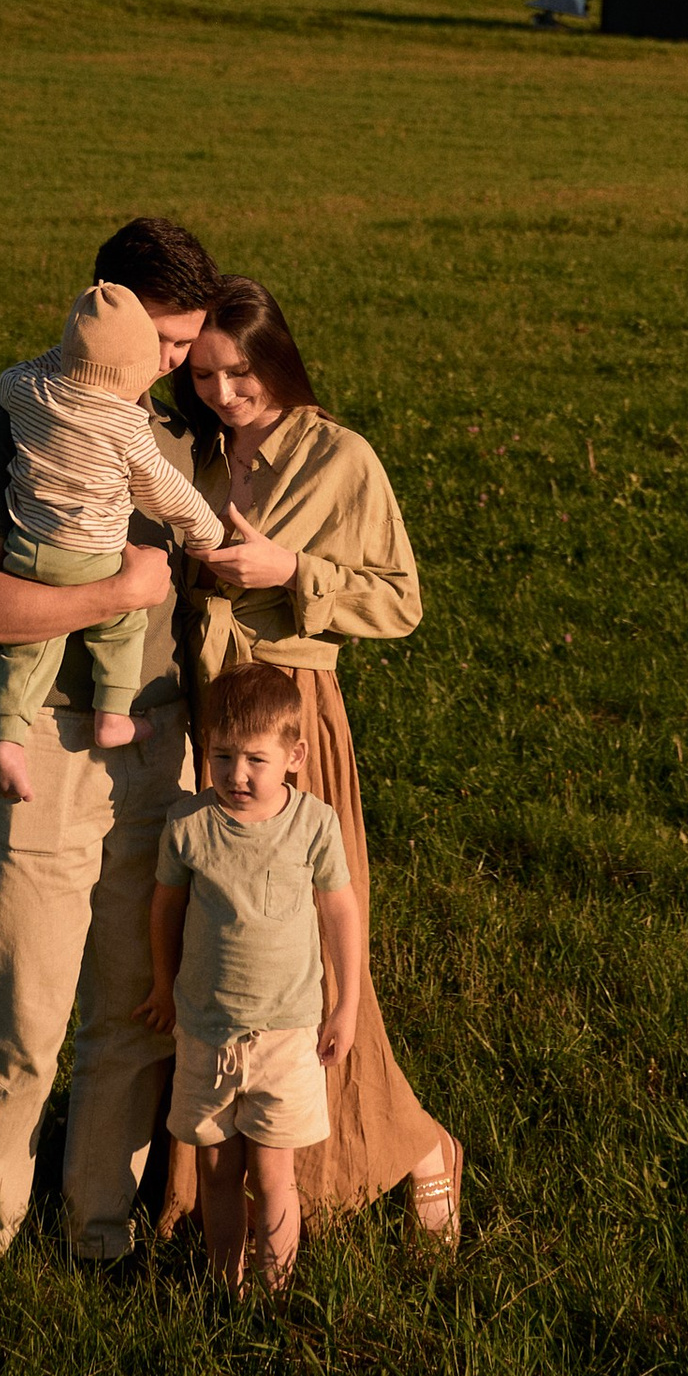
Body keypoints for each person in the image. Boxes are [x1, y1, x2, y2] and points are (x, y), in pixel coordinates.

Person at [0, 214, 217, 1275]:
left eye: (191, 346)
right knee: (20, 1020)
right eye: (170, 341)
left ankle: (99, 1233)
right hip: (36, 747)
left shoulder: (182, 443)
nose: (179, 367)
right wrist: (118, 589)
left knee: (131, 1015)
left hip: (158, 743)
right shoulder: (6, 430)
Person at [174, 278, 463, 1243]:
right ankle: (200, 1185)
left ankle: (411, 1146)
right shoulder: (199, 454)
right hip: (207, 720)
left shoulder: (341, 457)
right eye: (205, 373)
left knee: (308, 957)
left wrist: (292, 572)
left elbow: (400, 601)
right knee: (218, 950)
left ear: (278, 358)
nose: (222, 391)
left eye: (241, 371)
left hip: (293, 725)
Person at [145, 659, 363, 1292]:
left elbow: (340, 912)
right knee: (215, 1169)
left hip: (287, 1036)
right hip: (206, 1031)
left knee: (273, 1175)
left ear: (295, 755)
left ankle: (274, 1294)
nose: (236, 775)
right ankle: (226, 1286)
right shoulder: (188, 825)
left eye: (255, 761)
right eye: (221, 757)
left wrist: (344, 1006)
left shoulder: (314, 824)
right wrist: (163, 985)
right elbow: (164, 909)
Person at [0, 283, 232, 796]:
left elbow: (8, 378)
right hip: (96, 559)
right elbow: (169, 493)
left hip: (29, 553)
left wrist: (69, 355)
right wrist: (209, 533)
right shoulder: (127, 425)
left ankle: (7, 739)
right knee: (121, 626)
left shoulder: (33, 395)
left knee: (28, 649)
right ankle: (113, 715)